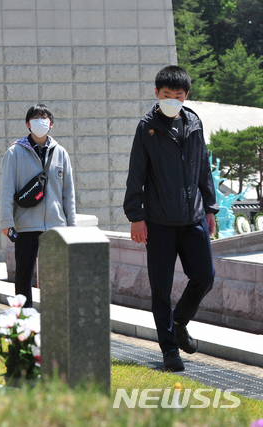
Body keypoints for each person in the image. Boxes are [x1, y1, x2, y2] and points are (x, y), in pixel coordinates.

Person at [124, 65, 217, 372]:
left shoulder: (194, 123)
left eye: (178, 96)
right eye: (166, 95)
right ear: (156, 94)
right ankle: (169, 351)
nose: (172, 100)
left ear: (186, 96)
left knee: (205, 276)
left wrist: (211, 209)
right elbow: (135, 175)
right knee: (161, 289)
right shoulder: (147, 127)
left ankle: (178, 321)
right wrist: (136, 218)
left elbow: (203, 166)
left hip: (192, 220)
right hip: (159, 222)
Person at [0, 104, 77, 309]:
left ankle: (55, 321)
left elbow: (68, 193)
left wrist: (72, 225)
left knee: (56, 278)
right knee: (23, 277)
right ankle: (24, 323)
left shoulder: (61, 153)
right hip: (26, 226)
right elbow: (6, 189)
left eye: (44, 118)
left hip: (55, 226)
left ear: (51, 124)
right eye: (35, 118)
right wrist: (7, 221)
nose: (40, 122)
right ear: (27, 124)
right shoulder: (14, 152)